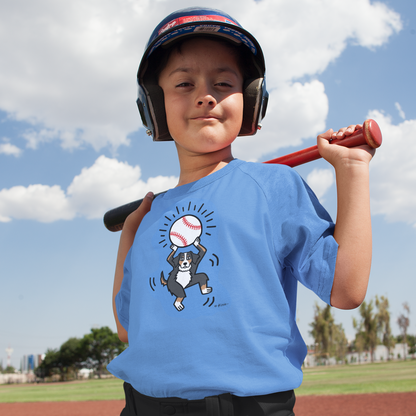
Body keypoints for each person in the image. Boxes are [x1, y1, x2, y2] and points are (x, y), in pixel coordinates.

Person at [107, 7, 374, 416]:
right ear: (154, 105)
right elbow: (129, 328)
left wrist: (352, 171)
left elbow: (346, 289)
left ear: (251, 101)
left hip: (245, 407)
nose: (205, 94)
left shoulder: (273, 187)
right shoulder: (148, 219)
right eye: (183, 83)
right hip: (143, 405)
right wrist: (129, 236)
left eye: (223, 82)